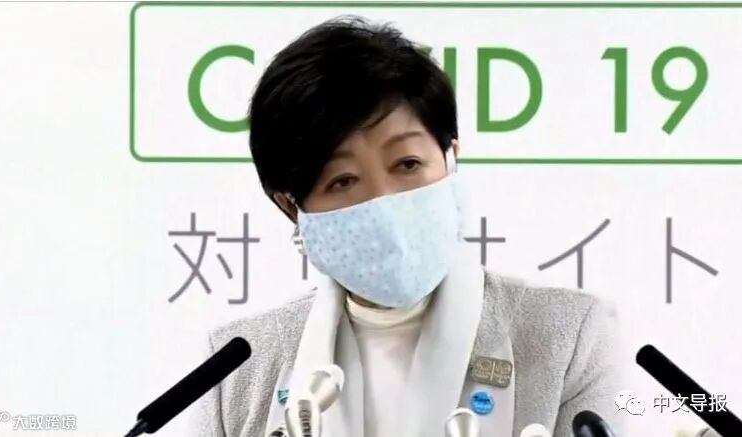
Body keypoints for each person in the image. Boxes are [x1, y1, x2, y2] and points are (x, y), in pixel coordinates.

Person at [191, 16, 623, 437]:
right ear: (291, 207)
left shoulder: (569, 335)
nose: (383, 201)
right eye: (343, 181)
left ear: (451, 157)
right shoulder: (235, 370)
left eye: (408, 164)